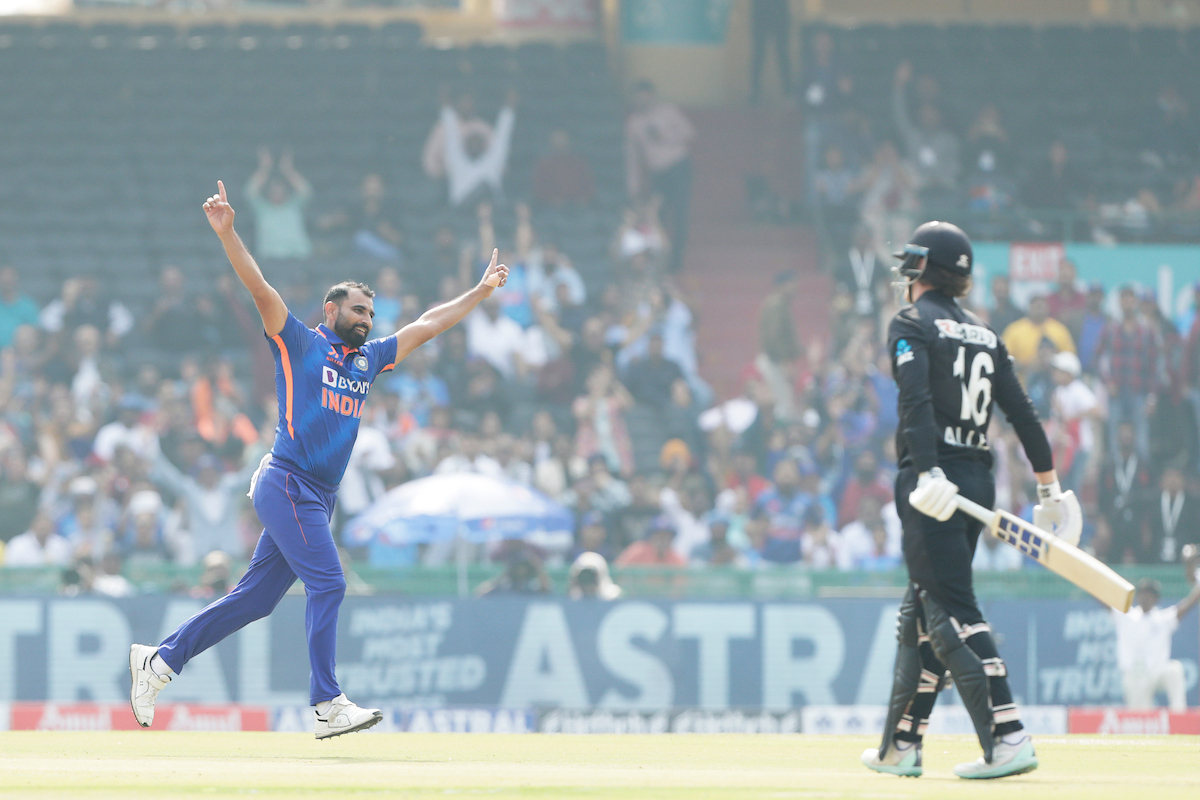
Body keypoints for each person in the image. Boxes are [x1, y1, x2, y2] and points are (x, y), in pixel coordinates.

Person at [128, 180, 509, 740]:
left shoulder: (369, 360)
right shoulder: (300, 342)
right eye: (357, 309)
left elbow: (427, 324)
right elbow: (258, 288)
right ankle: (327, 703)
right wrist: (229, 233)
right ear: (330, 309)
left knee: (255, 600)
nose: (367, 318)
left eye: (372, 312)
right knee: (329, 584)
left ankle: (158, 663)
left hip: (316, 497)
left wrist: (478, 292)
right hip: (287, 482)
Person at [862, 221, 1080, 780]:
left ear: (923, 269)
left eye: (911, 263)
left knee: (953, 609)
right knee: (924, 609)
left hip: (934, 484)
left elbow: (914, 405)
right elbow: (1022, 413)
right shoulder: (985, 332)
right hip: (976, 480)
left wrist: (929, 471)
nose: (903, 273)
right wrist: (1049, 487)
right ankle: (901, 746)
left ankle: (1007, 735)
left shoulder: (910, 323)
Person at [1112, 572, 1200, 712]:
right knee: (1139, 716)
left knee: (1174, 670)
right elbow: (1104, 600)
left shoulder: (1163, 619)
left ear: (1156, 599)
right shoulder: (1126, 617)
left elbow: (1188, 605)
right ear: (1137, 596)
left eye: (1150, 594)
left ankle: (1180, 718)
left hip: (1157, 671)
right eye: (1143, 593)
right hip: (1135, 674)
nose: (1146, 597)